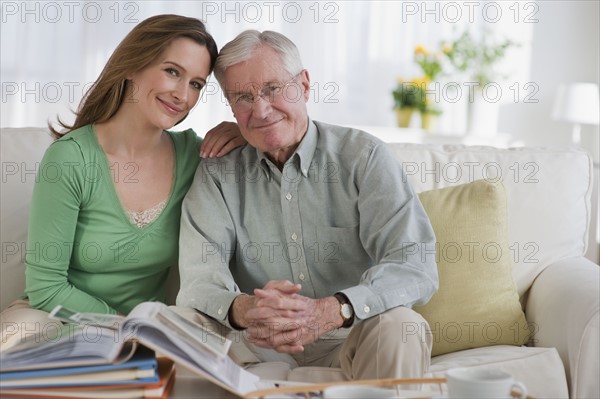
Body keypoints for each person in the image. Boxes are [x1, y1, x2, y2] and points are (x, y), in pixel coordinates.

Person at [177, 29, 439, 383]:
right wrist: (246, 309)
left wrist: (335, 308)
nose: (261, 109)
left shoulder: (363, 157)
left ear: (303, 85)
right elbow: (198, 278)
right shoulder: (218, 171)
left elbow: (414, 263)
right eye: (242, 97)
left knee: (402, 323)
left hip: (352, 338)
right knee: (180, 322)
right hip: (256, 344)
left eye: (272, 89)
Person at [0, 15, 245, 350]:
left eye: (196, 84)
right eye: (172, 71)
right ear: (133, 65)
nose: (182, 95)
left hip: (142, 333)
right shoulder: (71, 158)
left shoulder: (194, 157)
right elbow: (46, 286)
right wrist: (119, 324)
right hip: (56, 319)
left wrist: (245, 133)